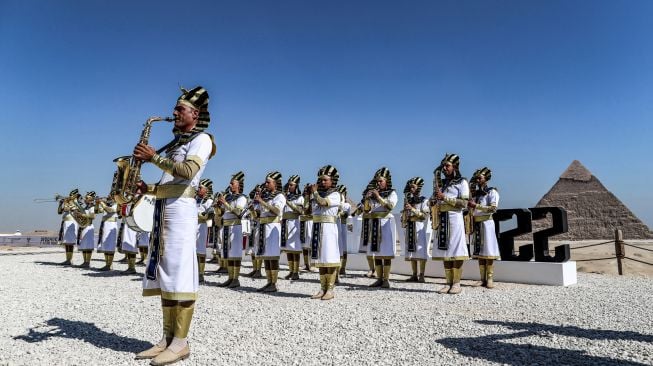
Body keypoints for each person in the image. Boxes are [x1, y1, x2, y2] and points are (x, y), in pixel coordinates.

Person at [133, 86, 216, 365]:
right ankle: (167, 338)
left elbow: (188, 173)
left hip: (181, 213)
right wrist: (148, 188)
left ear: (196, 113)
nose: (175, 112)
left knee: (180, 274)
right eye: (176, 108)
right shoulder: (180, 143)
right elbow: (171, 183)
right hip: (165, 209)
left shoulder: (202, 139)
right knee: (166, 274)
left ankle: (181, 342)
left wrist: (154, 158)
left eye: (180, 109)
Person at [431, 153, 470, 295]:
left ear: (455, 166)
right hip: (442, 218)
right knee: (445, 251)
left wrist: (444, 197)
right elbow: (434, 200)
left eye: (447, 166)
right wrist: (433, 200)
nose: (444, 169)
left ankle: (456, 283)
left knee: (456, 250)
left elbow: (464, 203)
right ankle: (447, 282)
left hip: (454, 218)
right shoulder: (442, 183)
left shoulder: (462, 182)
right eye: (443, 166)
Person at [307, 165, 341, 300]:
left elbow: (322, 203)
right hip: (317, 227)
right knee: (321, 260)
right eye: (321, 180)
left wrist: (314, 193)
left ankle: (330, 290)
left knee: (329, 258)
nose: (322, 182)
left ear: (332, 181)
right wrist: (308, 196)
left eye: (325, 180)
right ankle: (322, 288)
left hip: (328, 228)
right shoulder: (317, 194)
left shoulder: (335, 194)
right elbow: (308, 211)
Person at [250, 172, 286, 292]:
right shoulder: (264, 196)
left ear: (275, 184)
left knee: (273, 256)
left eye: (268, 182)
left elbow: (276, 211)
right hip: (263, 226)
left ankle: (273, 283)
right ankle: (268, 281)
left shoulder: (279, 196)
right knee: (266, 255)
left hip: (273, 228)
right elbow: (258, 216)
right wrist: (252, 209)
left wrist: (262, 201)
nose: (266, 184)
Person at [363, 168, 398, 289]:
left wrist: (378, 197)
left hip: (386, 223)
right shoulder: (373, 195)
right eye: (377, 181)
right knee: (376, 252)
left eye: (381, 181)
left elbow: (389, 206)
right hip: (375, 223)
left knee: (386, 253)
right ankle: (379, 278)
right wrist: (367, 199)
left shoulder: (392, 193)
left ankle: (386, 279)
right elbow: (366, 210)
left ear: (386, 181)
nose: (378, 183)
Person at [468, 167, 500, 289]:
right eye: (477, 177)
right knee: (480, 252)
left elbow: (493, 208)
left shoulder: (492, 192)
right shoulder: (475, 194)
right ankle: (482, 279)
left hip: (487, 224)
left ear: (486, 178)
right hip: (477, 224)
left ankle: (490, 278)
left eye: (480, 177)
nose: (477, 179)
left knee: (489, 251)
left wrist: (476, 205)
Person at [215, 171, 247, 288]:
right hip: (226, 226)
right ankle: (230, 277)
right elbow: (221, 213)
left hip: (235, 227)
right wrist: (217, 206)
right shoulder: (228, 197)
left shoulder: (242, 197)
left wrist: (225, 204)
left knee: (235, 253)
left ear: (238, 185)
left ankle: (236, 279)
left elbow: (238, 212)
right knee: (227, 253)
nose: (230, 185)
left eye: (232, 183)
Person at [401, 177, 431, 282]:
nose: (411, 189)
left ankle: (422, 275)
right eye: (410, 187)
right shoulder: (408, 200)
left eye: (413, 187)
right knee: (412, 251)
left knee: (421, 250)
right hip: (410, 226)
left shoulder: (424, 200)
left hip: (419, 226)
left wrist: (412, 209)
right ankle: (414, 274)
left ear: (419, 188)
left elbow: (424, 215)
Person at [281, 175, 304, 280]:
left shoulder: (300, 198)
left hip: (294, 224)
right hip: (286, 224)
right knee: (288, 249)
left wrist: (287, 202)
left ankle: (296, 271)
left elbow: (299, 211)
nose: (289, 186)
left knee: (295, 249)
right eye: (289, 184)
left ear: (296, 186)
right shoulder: (286, 196)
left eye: (291, 185)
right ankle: (291, 271)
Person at [196, 178, 214, 283]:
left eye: (200, 187)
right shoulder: (195, 198)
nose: (198, 189)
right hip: (192, 225)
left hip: (202, 226)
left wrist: (201, 215)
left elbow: (210, 215)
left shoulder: (209, 200)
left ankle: (201, 274)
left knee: (201, 250)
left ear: (206, 190)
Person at [57, 189, 81, 265]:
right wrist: (60, 204)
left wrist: (66, 203)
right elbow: (59, 212)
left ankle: (70, 259)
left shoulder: (77, 203)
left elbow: (71, 209)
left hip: (72, 223)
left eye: (72, 195)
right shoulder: (67, 202)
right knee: (67, 242)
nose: (70, 196)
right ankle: (67, 259)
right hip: (65, 223)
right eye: (70, 195)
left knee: (70, 242)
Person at [96, 197, 119, 271]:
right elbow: (98, 211)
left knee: (110, 245)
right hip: (105, 224)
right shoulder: (106, 204)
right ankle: (107, 264)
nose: (108, 197)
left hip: (111, 224)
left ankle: (109, 264)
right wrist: (97, 204)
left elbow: (110, 210)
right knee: (105, 245)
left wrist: (102, 203)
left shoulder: (116, 204)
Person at [77, 191, 97, 268]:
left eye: (87, 198)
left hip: (89, 226)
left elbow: (93, 216)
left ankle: (87, 262)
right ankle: (85, 261)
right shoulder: (86, 207)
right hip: (84, 226)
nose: (85, 199)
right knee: (84, 245)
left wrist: (82, 214)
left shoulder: (92, 207)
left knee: (88, 245)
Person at [336, 184, 351, 282]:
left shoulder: (347, 205)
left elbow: (345, 215)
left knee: (344, 247)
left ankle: (343, 268)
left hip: (343, 226)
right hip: (336, 226)